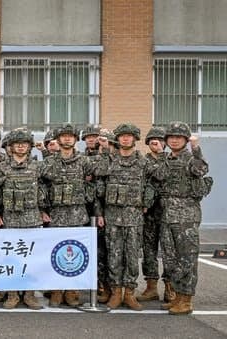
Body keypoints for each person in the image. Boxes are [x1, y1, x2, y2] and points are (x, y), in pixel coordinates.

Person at [95, 123, 153, 311]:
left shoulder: (144, 162)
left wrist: (147, 203)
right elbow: (99, 186)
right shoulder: (110, 160)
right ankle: (116, 293)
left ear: (135, 139)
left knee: (132, 256)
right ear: (117, 139)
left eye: (129, 136)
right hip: (113, 217)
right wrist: (100, 213)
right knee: (114, 255)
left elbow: (152, 185)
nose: (125, 139)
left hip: (134, 217)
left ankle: (129, 293)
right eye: (122, 136)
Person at [154, 122, 210, 315]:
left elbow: (201, 171)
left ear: (186, 140)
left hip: (186, 216)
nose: (175, 140)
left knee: (187, 258)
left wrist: (196, 148)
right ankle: (177, 295)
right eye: (171, 137)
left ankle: (186, 300)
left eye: (179, 137)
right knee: (170, 259)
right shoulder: (166, 159)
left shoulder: (191, 158)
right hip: (167, 216)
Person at [0, 128, 46, 310]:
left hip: (32, 219)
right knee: (11, 258)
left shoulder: (38, 167)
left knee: (32, 258)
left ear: (29, 147)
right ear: (10, 147)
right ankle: (12, 294)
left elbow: (45, 190)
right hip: (11, 219)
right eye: (17, 143)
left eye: (25, 143)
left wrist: (44, 210)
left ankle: (29, 295)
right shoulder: (3, 167)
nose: (21, 146)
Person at [41, 123, 96, 307]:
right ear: (57, 140)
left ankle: (72, 290)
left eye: (70, 136)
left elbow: (95, 183)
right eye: (63, 136)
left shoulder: (84, 161)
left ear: (75, 139)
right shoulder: (49, 162)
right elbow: (40, 186)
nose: (66, 138)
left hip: (77, 214)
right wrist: (42, 209)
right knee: (55, 253)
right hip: (56, 214)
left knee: (76, 253)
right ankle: (56, 290)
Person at [136, 126, 171, 303]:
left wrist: (163, 154)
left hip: (168, 212)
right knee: (149, 251)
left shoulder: (171, 159)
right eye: (151, 140)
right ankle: (151, 288)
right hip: (148, 213)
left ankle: (170, 288)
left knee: (169, 251)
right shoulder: (144, 161)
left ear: (164, 142)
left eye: (158, 140)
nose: (154, 143)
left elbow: (164, 175)